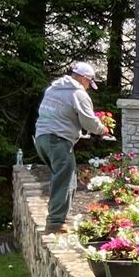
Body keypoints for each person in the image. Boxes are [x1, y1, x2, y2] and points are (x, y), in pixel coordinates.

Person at [34, 61, 110, 232]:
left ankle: (59, 218)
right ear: (83, 78)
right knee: (65, 180)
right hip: (57, 141)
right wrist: (102, 129)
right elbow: (88, 122)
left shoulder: (52, 89)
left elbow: (59, 114)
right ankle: (55, 222)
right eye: (89, 83)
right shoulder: (78, 94)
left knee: (64, 177)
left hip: (41, 139)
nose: (89, 87)